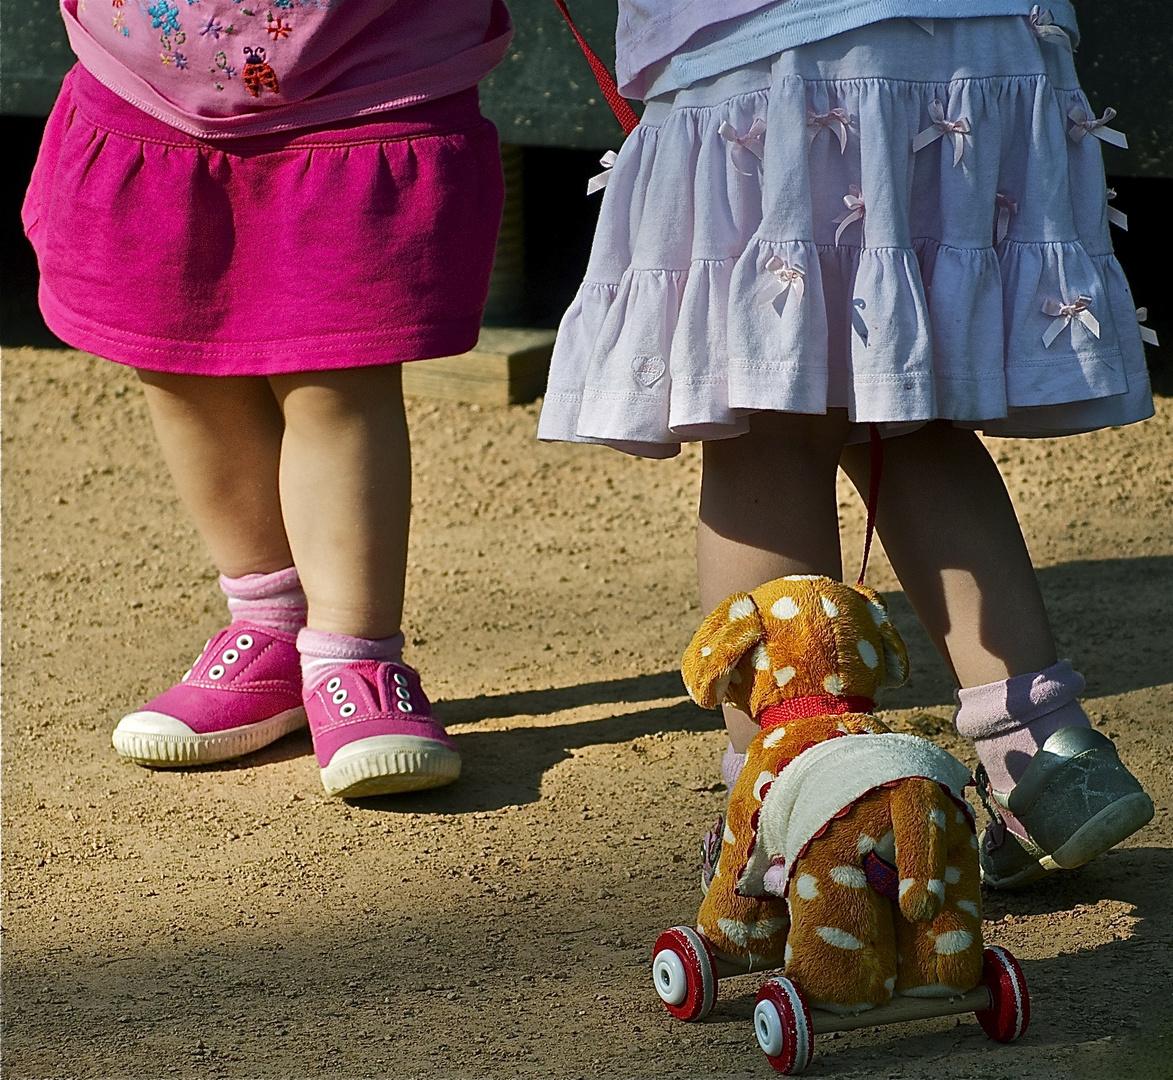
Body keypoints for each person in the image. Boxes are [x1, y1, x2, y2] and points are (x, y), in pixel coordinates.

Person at [538, 2, 1155, 887]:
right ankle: (1045, 749)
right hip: (973, 49)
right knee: (914, 420)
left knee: (765, 434)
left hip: (764, 58)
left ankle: (788, 788)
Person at [23, 0, 512, 797]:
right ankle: (271, 630)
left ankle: (352, 659)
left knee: (336, 374)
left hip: (367, 82)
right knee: (175, 356)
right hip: (142, 76)